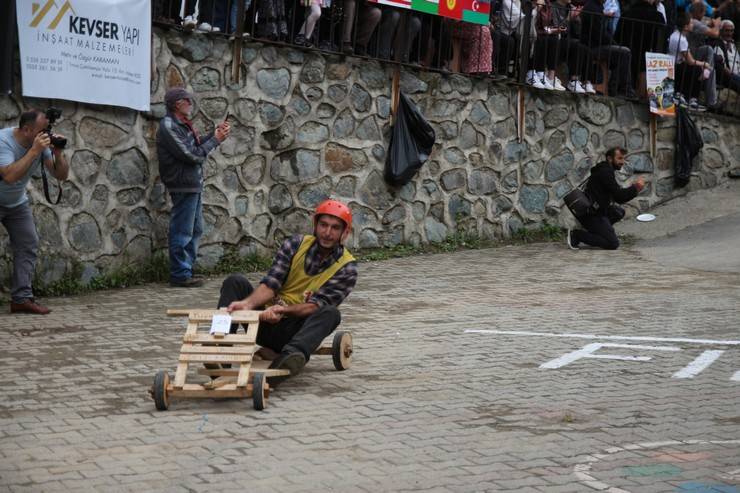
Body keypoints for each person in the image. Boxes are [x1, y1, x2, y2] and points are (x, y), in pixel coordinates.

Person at [218, 199, 358, 385]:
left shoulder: (347, 268)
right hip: (262, 322)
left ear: (344, 233)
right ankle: (219, 348)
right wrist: (247, 304)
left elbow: (314, 306)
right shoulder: (294, 244)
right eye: (323, 225)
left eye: (335, 228)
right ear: (315, 225)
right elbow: (271, 283)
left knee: (330, 313)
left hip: (294, 332)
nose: (327, 233)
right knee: (234, 282)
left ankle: (289, 359)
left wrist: (282, 311)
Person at [156, 87, 231, 288]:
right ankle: (179, 274)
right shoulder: (169, 126)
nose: (190, 103)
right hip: (182, 185)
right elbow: (193, 155)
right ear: (176, 104)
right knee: (182, 230)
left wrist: (215, 135)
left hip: (193, 184)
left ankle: (186, 270)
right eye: (186, 100)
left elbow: (196, 147)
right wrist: (216, 141)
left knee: (195, 229)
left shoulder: (183, 124)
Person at [0, 110, 69, 314]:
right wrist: (34, 151)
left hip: (16, 203)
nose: (45, 135)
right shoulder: (3, 141)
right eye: (41, 131)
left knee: (28, 244)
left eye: (47, 131)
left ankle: (21, 299)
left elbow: (60, 175)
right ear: (27, 130)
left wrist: (57, 152)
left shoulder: (40, 143)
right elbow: (10, 176)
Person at [567, 147, 645, 250]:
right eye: (619, 158)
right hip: (592, 214)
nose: (622, 162)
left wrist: (633, 188)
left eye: (623, 159)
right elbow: (619, 197)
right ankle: (577, 235)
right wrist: (636, 188)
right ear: (609, 158)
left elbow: (616, 193)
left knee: (618, 212)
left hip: (598, 211)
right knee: (612, 244)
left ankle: (596, 232)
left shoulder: (605, 170)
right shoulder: (605, 172)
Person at [580, 0, 636, 98]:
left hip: (595, 45)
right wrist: (614, 44)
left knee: (623, 52)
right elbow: (599, 34)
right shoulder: (593, 7)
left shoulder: (595, 6)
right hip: (591, 47)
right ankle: (620, 89)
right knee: (624, 53)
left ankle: (618, 88)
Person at [669, 11, 712, 110]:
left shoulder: (674, 34)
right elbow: (690, 61)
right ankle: (691, 99)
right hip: (676, 67)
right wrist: (705, 64)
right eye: (691, 23)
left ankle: (683, 95)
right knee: (697, 69)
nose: (693, 25)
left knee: (693, 69)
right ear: (686, 26)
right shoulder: (682, 40)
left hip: (674, 64)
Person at [714, 20, 740, 93]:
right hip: (729, 77)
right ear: (721, 31)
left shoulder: (733, 45)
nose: (729, 33)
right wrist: (733, 75)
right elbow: (722, 66)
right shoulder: (718, 45)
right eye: (727, 31)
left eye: (731, 31)